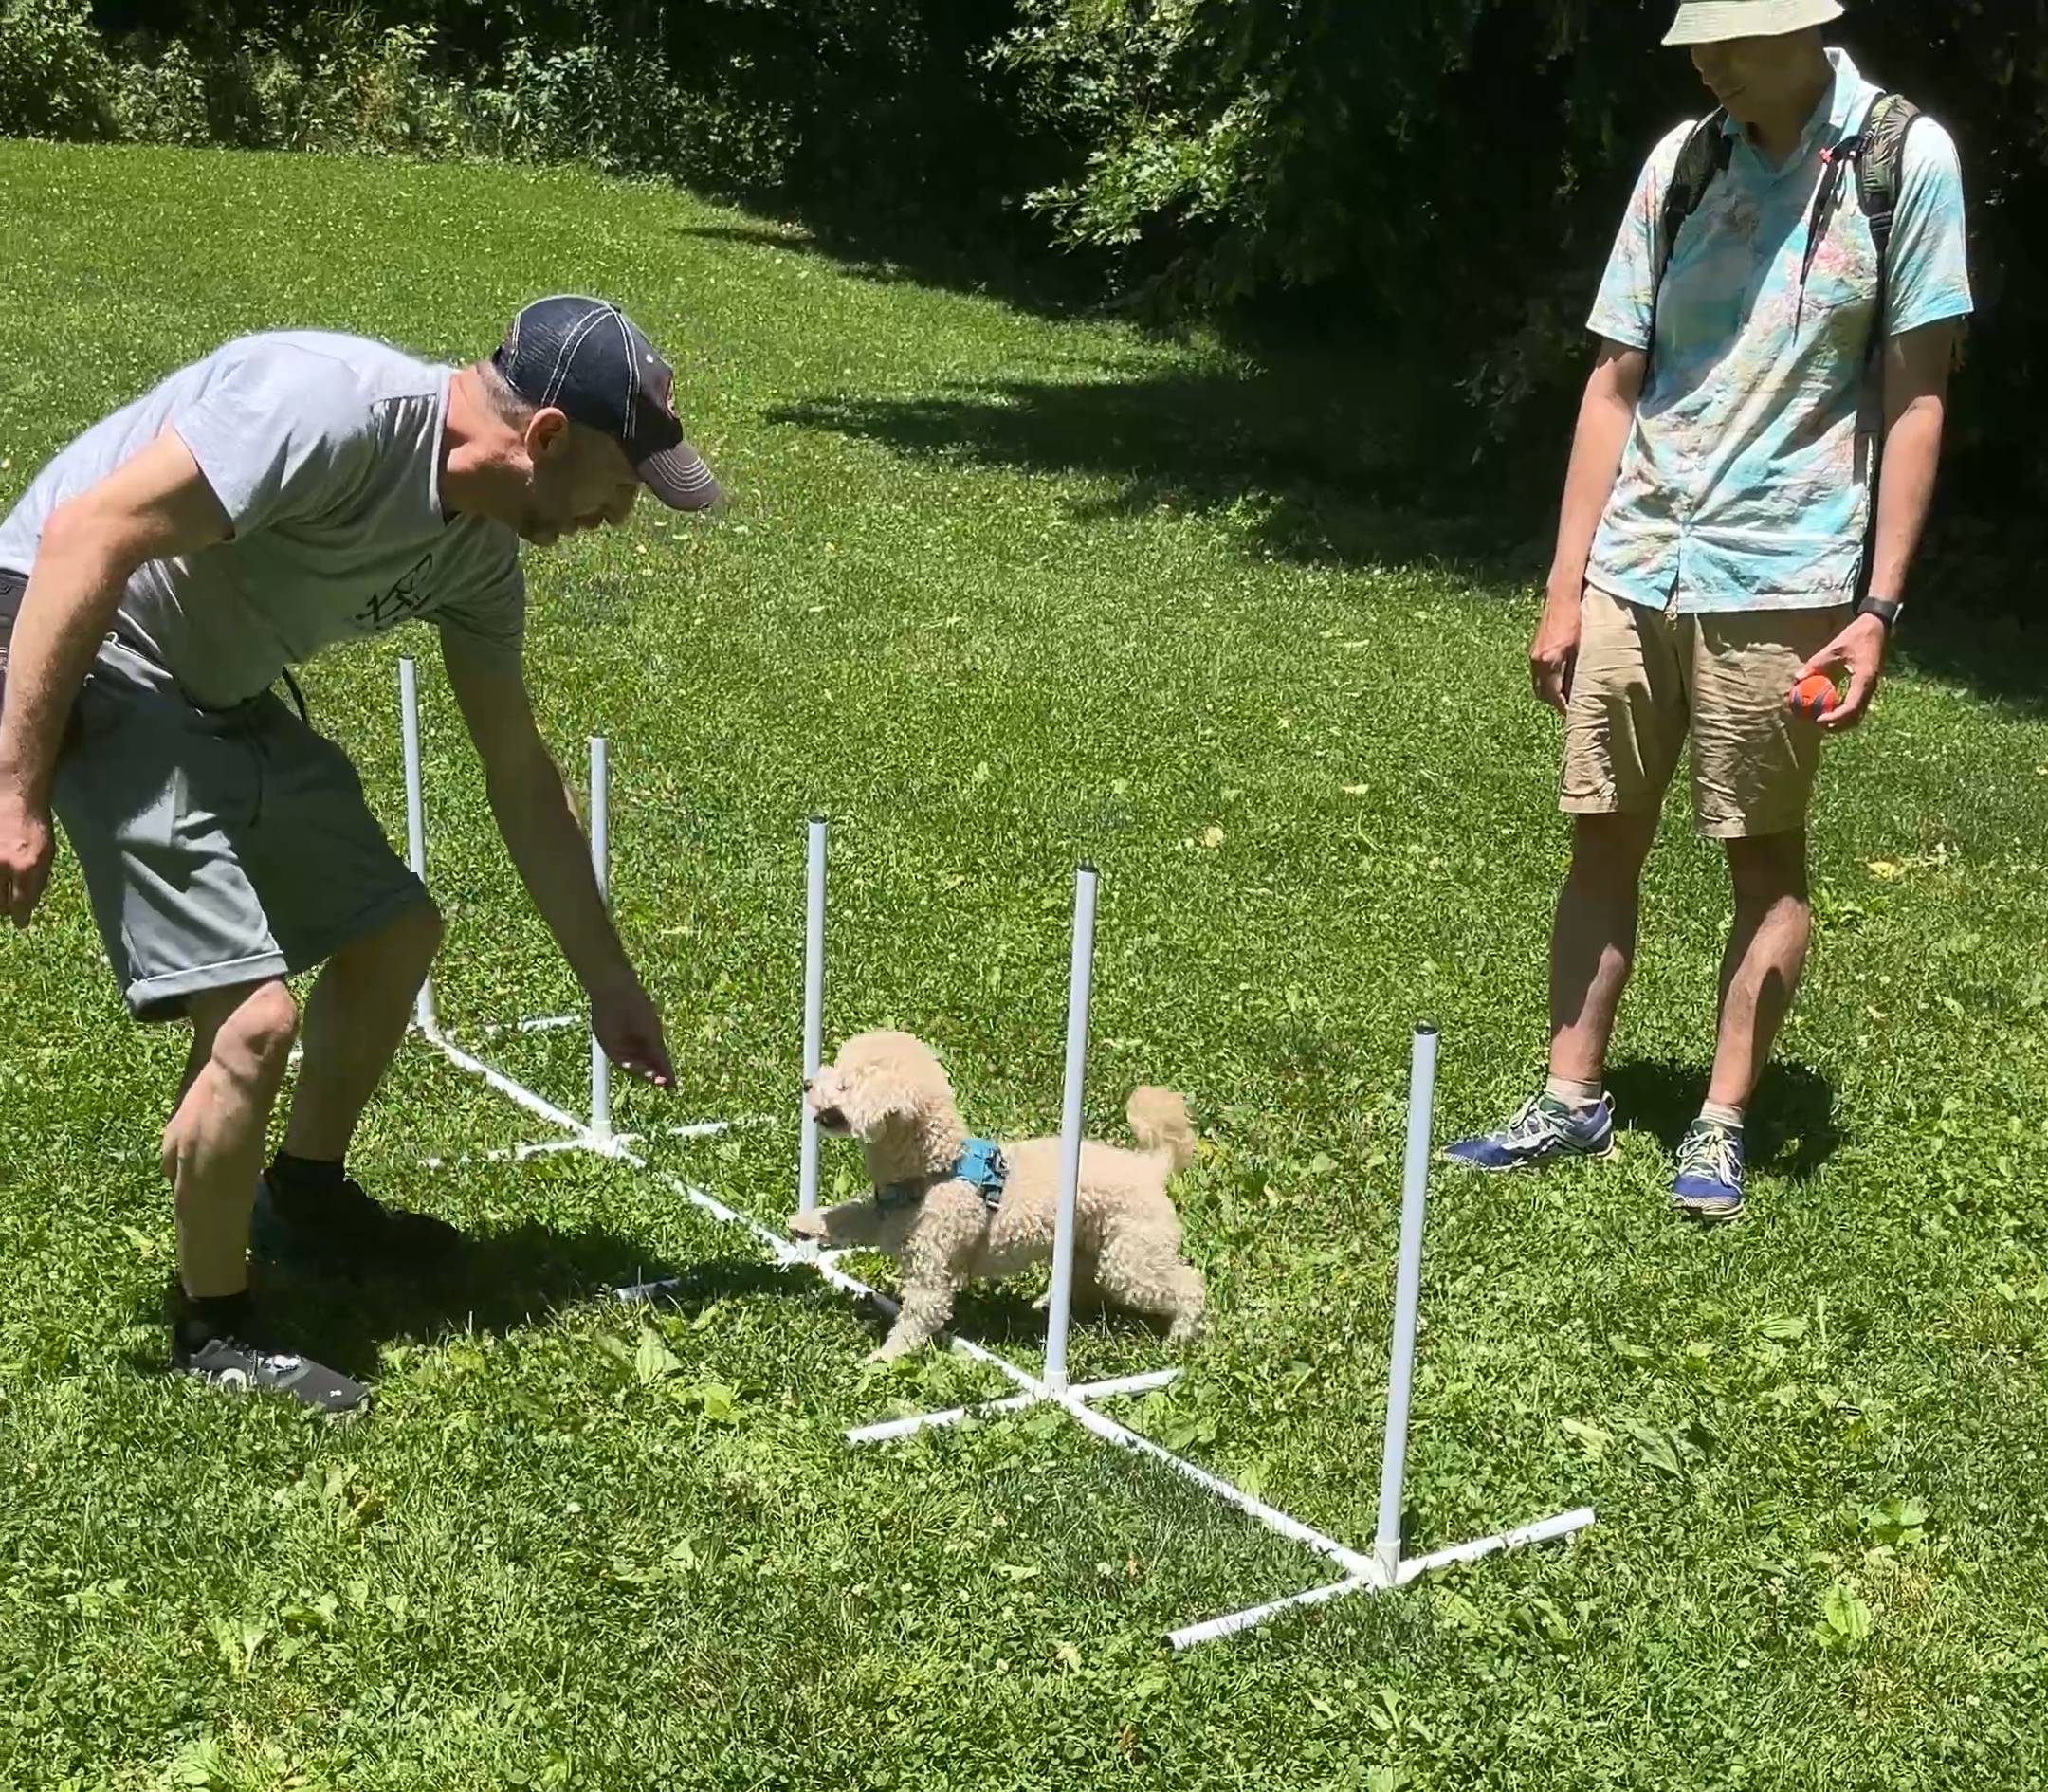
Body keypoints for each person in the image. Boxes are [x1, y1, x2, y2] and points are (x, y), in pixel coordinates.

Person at [0, 295, 721, 1410]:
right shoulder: (330, 411)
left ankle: (307, 1194)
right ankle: (214, 1326)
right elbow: (81, 535)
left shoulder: (481, 557)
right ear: (546, 439)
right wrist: (16, 792)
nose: (617, 521)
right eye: (621, 490)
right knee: (251, 1023)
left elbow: (519, 774)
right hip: (84, 638)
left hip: (217, 681)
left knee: (395, 932)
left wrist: (608, 979)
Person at [1443, 0, 1972, 1220]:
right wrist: (1565, 585)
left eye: (1733, 40)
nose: (1708, 62)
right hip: (1640, 556)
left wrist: (1878, 604)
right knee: (1601, 829)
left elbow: (1917, 395)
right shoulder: (1683, 161)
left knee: (1761, 853)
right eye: (1699, 42)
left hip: (1785, 574)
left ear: (1807, 30)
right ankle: (1571, 1094)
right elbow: (1615, 374)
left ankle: (1722, 1119)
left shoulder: (1904, 159)